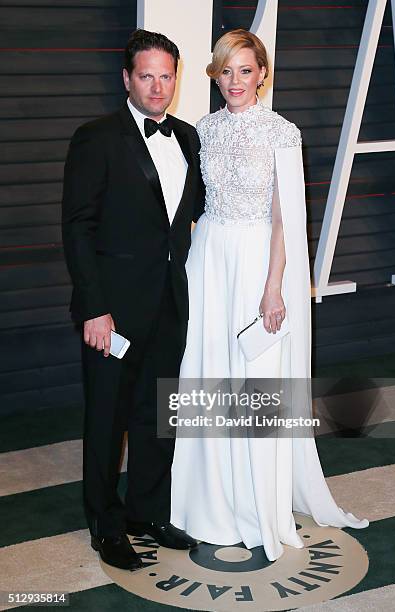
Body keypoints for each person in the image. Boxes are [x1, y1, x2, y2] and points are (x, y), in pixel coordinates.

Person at [170, 29, 369, 562]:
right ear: (215, 75)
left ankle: (259, 506)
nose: (235, 81)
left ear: (262, 74)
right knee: (208, 370)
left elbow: (286, 217)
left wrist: (274, 286)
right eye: (225, 70)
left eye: (245, 70)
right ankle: (205, 503)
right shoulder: (203, 130)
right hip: (209, 257)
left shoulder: (282, 133)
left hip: (260, 260)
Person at [62, 29, 203, 571]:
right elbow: (77, 227)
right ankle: (104, 521)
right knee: (107, 418)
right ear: (127, 79)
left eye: (166, 76)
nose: (157, 86)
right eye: (147, 75)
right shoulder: (96, 137)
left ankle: (148, 511)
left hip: (169, 304)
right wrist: (93, 307)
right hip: (113, 312)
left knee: (155, 415)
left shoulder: (189, 137)